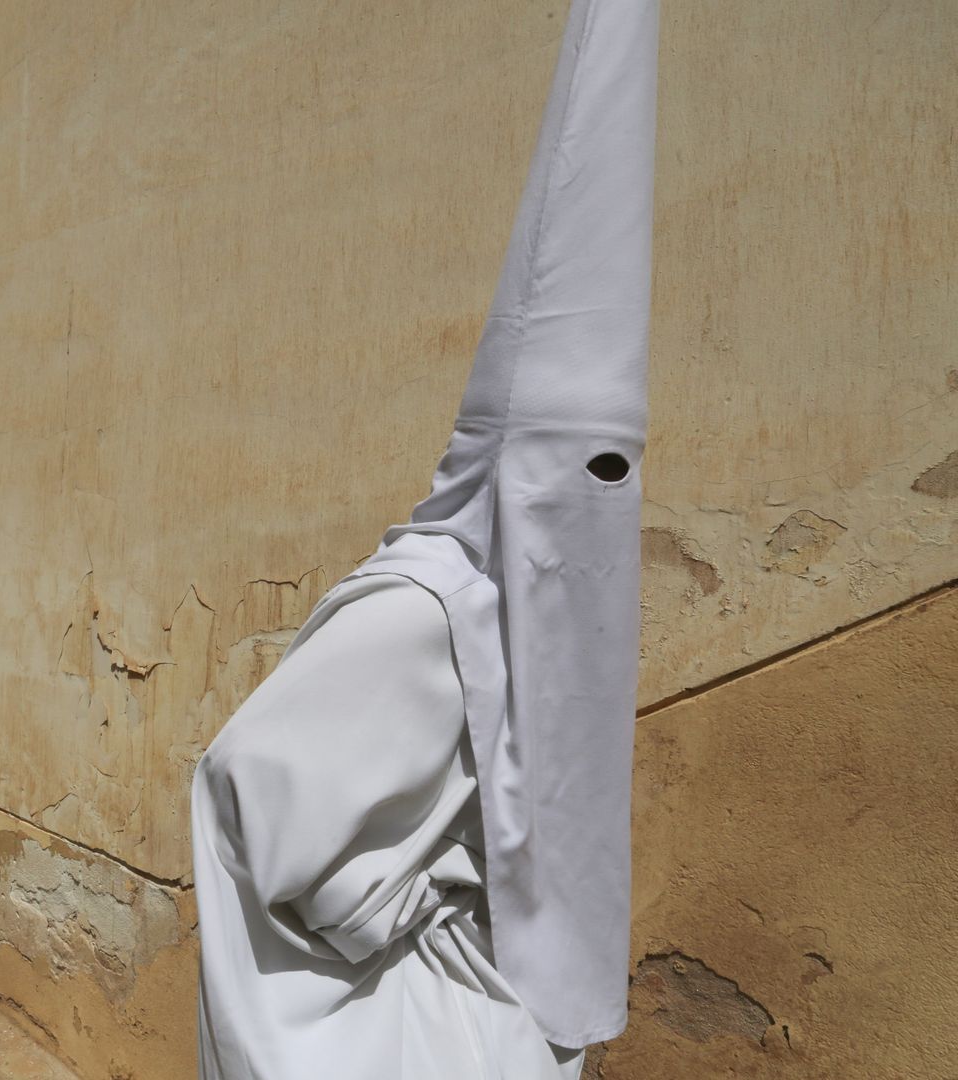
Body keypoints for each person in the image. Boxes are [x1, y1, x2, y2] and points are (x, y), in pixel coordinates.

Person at [191, 0, 660, 1075]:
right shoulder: (426, 608)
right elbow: (241, 784)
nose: (600, 499)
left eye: (617, 472)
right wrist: (381, 912)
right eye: (580, 470)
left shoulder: (549, 613)